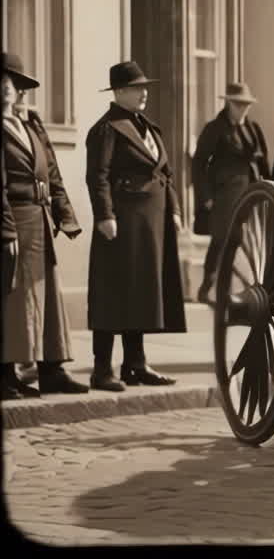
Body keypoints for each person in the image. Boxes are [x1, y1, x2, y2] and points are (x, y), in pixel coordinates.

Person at [84, 61, 186, 391]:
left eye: (145, 88)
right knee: (113, 293)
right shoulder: (107, 129)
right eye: (137, 88)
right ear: (119, 92)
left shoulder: (150, 128)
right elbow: (97, 176)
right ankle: (102, 369)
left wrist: (174, 210)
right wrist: (105, 215)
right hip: (122, 222)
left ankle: (135, 364)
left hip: (152, 223)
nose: (144, 93)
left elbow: (166, 174)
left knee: (142, 292)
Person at [2, 53, 90, 399]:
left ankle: (52, 369)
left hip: (40, 219)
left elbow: (51, 172)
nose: (7, 91)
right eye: (2, 84)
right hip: (16, 219)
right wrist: (6, 229)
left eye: (12, 85)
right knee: (15, 297)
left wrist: (64, 214)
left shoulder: (30, 125)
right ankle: (7, 373)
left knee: (47, 295)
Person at [192, 83, 270, 305]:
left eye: (246, 104)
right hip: (224, 194)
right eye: (238, 104)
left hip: (250, 192)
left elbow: (263, 161)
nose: (242, 109)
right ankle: (211, 285)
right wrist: (205, 195)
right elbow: (198, 163)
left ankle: (219, 287)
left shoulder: (253, 128)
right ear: (228, 103)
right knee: (222, 239)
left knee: (235, 240)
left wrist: (269, 190)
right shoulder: (215, 128)